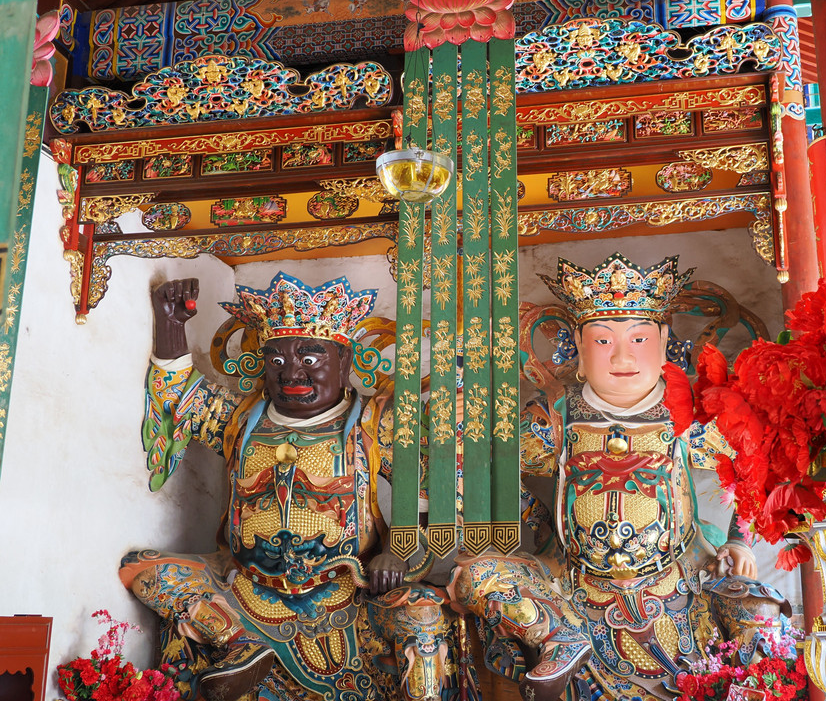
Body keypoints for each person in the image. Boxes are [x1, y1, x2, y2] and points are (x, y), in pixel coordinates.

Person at [449, 253, 788, 701]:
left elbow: (760, 466)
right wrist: (532, 517)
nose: (623, 355)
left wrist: (739, 540)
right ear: (580, 346)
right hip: (570, 589)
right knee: (474, 577)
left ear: (665, 341)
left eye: (640, 338)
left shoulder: (691, 412)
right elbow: (477, 470)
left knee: (760, 607)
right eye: (604, 341)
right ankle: (560, 641)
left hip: (681, 581)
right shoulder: (554, 417)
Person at [120, 273, 454, 701]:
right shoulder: (242, 419)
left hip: (346, 590)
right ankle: (239, 644)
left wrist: (399, 552)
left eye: (311, 358)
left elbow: (433, 496)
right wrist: (172, 325)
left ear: (344, 362)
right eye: (276, 360)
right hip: (245, 589)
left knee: (424, 617)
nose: (292, 371)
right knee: (142, 569)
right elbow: (182, 398)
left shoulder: (375, 424)